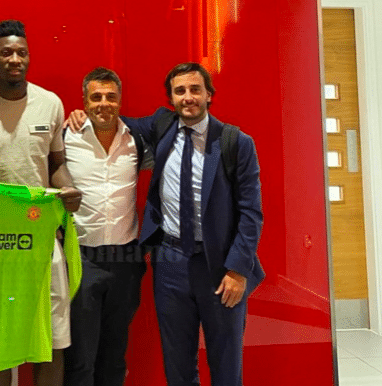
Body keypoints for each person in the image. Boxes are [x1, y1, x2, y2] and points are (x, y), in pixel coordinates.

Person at [69, 62, 263, 385]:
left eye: (195, 90)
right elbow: (112, 118)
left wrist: (238, 270)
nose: (188, 97)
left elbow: (251, 212)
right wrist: (81, 116)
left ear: (209, 95)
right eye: (180, 91)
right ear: (171, 99)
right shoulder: (162, 126)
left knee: (226, 365)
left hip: (220, 268)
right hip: (170, 264)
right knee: (177, 365)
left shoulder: (236, 143)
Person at [0, 19, 82, 386]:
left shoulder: (51, 104)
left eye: (21, 52)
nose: (14, 59)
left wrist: (67, 190)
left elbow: (57, 167)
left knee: (54, 338)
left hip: (41, 236)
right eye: (6, 52)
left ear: (29, 57)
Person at [62, 67, 150, 386]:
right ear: (84, 102)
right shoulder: (65, 137)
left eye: (111, 97)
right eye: (96, 97)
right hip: (81, 259)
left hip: (126, 261)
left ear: (120, 101)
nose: (103, 103)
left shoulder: (136, 140)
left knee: (114, 358)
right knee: (80, 360)